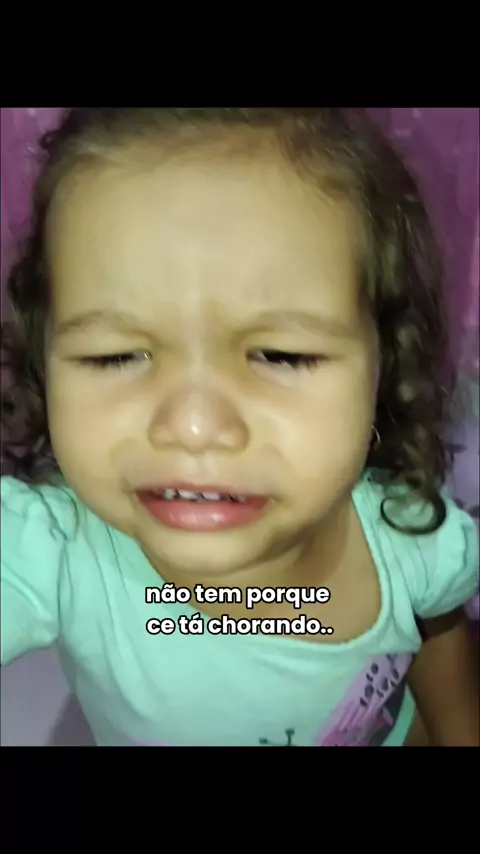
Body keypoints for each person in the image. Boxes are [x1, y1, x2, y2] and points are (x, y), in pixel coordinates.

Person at [1, 107, 478, 747]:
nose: (194, 427)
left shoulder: (412, 538)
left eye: (281, 355)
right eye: (114, 356)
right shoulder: (54, 549)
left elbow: (437, 629)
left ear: (383, 362)